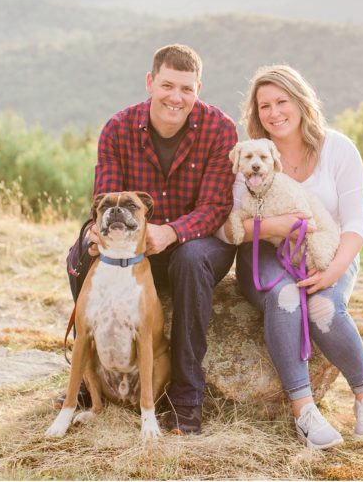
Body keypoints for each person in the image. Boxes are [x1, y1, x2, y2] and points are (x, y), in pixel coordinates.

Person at [63, 43, 238, 435]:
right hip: (136, 243)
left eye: (187, 89)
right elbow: (104, 203)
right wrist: (97, 236)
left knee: (190, 260)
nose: (176, 98)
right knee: (78, 255)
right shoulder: (117, 128)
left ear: (199, 88)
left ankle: (186, 398)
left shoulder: (219, 129)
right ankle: (90, 382)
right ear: (150, 82)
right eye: (167, 85)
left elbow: (214, 206)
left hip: (197, 241)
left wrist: (173, 231)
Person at [225, 64, 363, 449]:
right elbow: (228, 225)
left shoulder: (339, 149)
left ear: (300, 102)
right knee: (286, 297)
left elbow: (357, 220)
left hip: (328, 249)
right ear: (255, 113)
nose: (274, 113)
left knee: (322, 307)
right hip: (263, 254)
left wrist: (334, 271)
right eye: (264, 106)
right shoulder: (250, 158)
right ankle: (304, 410)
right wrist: (276, 226)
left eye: (282, 102)